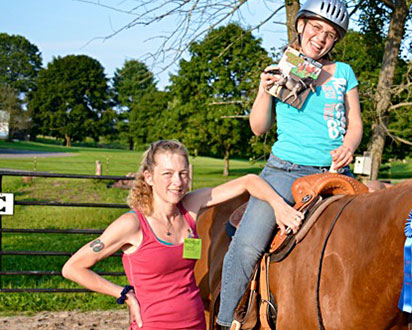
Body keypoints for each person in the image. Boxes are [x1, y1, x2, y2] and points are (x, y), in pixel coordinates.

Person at [217, 0, 362, 327]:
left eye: (330, 34)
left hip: (337, 173)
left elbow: (355, 123)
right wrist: (263, 90)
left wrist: (349, 146)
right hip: (286, 171)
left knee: (375, 233)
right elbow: (258, 127)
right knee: (248, 245)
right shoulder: (280, 70)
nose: (321, 38)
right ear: (301, 25)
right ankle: (228, 322)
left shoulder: (344, 73)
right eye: (316, 28)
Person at [62, 140, 302, 330]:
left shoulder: (190, 208)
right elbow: (72, 268)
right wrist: (123, 294)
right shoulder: (133, 224)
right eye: (167, 174)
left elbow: (249, 181)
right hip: (153, 325)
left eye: (183, 173)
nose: (177, 182)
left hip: (195, 322)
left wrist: (278, 206)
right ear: (148, 177)